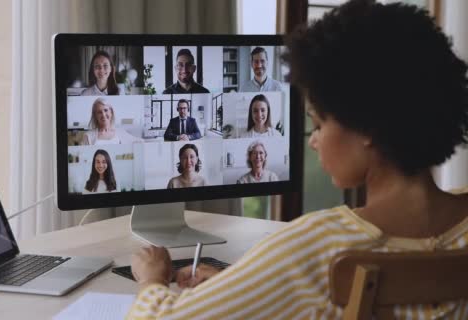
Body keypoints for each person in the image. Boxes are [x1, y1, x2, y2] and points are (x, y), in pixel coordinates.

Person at [128, 0, 468, 318]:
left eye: (318, 122)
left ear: (367, 126)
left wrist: (151, 280)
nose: (315, 141)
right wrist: (237, 283)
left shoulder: (317, 246)